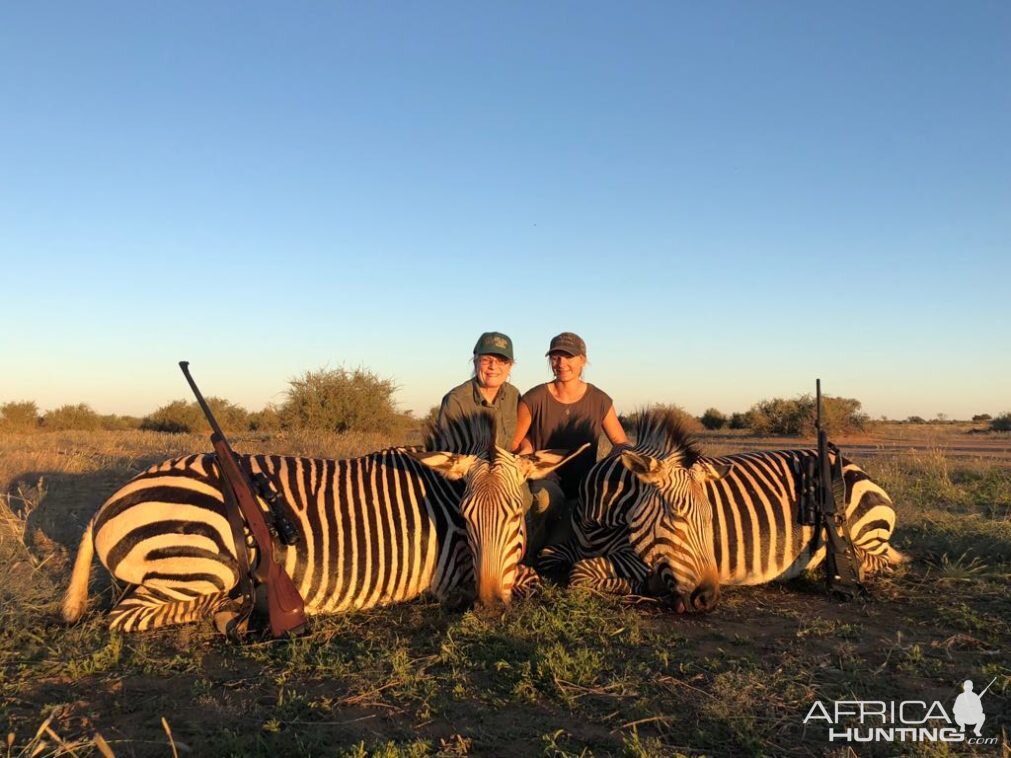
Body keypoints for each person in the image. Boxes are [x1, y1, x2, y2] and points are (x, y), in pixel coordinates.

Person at [511, 331, 629, 558]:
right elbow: (515, 442)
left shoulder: (599, 399)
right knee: (544, 500)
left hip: (586, 489)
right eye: (555, 357)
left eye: (568, 356)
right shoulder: (534, 398)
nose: (561, 363)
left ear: (583, 360)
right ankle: (527, 559)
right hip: (546, 483)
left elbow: (620, 443)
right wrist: (538, 468)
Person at [436, 331, 520, 450]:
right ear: (475, 362)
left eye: (501, 361)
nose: (493, 366)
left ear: (510, 366)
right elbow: (448, 452)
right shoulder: (456, 400)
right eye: (486, 360)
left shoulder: (514, 395)